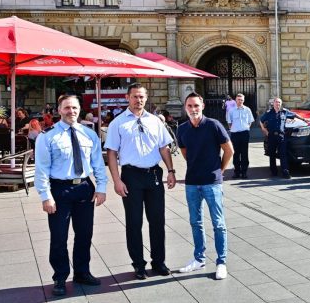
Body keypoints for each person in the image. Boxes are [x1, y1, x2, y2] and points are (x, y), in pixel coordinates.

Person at [34, 94, 107, 296]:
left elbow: (98, 164)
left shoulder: (89, 134)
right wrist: (45, 196)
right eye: (67, 108)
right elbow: (41, 169)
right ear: (59, 110)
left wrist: (101, 187)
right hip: (60, 190)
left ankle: (82, 272)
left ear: (79, 110)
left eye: (74, 108)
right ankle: (59, 277)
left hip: (84, 188)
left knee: (84, 234)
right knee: (59, 237)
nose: (71, 112)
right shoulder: (47, 136)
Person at [105, 83, 176, 280]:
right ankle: (138, 264)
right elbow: (111, 153)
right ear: (128, 97)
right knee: (134, 222)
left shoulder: (155, 121)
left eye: (142, 97)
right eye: (135, 96)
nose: (139, 100)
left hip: (153, 175)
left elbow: (164, 147)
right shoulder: (117, 123)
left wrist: (170, 170)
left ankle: (159, 261)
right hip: (131, 176)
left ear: (146, 98)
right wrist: (117, 180)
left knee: (157, 221)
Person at [176, 93, 234, 279]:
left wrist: (220, 170)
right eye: (190, 106)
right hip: (192, 182)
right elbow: (185, 153)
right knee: (196, 222)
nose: (193, 109)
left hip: (212, 182)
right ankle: (199, 259)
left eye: (196, 106)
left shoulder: (214, 125)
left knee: (218, 224)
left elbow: (229, 150)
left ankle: (221, 262)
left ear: (202, 106)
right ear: (186, 108)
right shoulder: (182, 129)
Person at [259, 97, 308, 179]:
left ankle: (285, 171)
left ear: (280, 104)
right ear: (273, 104)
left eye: (279, 103)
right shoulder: (269, 113)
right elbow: (261, 120)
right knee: (272, 155)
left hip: (281, 136)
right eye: (276, 102)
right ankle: (273, 171)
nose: (277, 104)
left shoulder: (284, 112)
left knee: (283, 154)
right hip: (271, 136)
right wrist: (264, 130)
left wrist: (303, 119)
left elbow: (294, 115)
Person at [226, 93, 255, 178]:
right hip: (235, 134)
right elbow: (229, 123)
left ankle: (244, 172)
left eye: (241, 100)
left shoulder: (247, 110)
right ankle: (236, 172)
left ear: (244, 100)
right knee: (235, 153)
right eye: (238, 100)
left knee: (244, 153)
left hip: (244, 133)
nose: (240, 101)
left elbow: (250, 121)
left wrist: (245, 128)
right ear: (236, 100)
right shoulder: (231, 110)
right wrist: (235, 128)